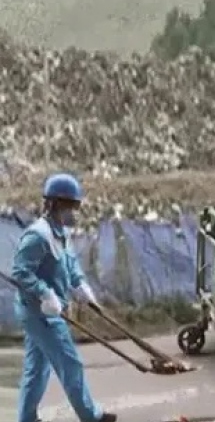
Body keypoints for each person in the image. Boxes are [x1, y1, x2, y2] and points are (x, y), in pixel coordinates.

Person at [12, 173, 116, 422]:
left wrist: (81, 287)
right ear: (54, 204)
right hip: (40, 312)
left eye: (76, 206)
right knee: (70, 363)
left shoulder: (61, 233)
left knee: (37, 369)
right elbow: (20, 272)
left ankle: (26, 418)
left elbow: (70, 265)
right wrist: (44, 293)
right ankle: (91, 416)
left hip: (50, 309)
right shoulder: (37, 236)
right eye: (70, 206)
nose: (74, 212)